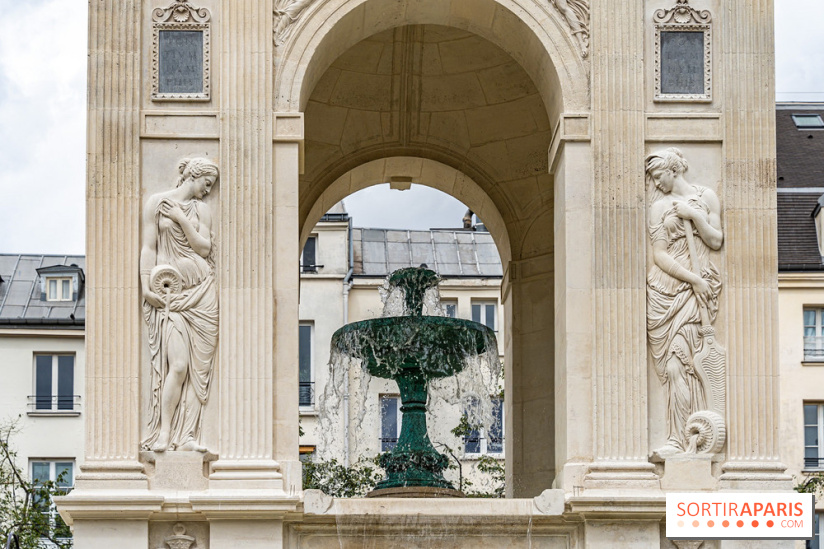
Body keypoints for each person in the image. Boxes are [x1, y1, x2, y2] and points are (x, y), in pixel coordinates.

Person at [645, 148, 723, 455]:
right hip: (668, 288)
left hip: (697, 294)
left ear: (672, 170)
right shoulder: (657, 207)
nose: (654, 182)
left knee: (681, 365)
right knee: (670, 369)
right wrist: (692, 279)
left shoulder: (707, 196)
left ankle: (685, 438)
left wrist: (695, 217)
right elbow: (659, 254)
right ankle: (680, 436)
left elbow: (716, 240)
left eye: (657, 175)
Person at [140, 157, 219, 452]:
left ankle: (187, 436)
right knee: (179, 366)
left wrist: (182, 218)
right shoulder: (156, 203)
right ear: (193, 176)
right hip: (171, 295)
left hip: (203, 294)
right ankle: (164, 433)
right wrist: (145, 285)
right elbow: (149, 247)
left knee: (200, 371)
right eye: (206, 184)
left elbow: (204, 248)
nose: (208, 190)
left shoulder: (201, 210)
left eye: (211, 187)